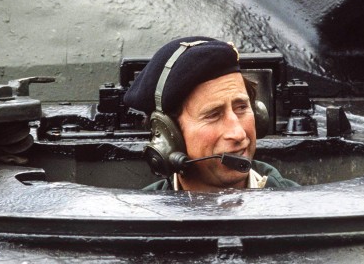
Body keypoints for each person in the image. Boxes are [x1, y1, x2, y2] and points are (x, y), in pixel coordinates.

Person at [123, 36, 298, 191]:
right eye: (213, 115)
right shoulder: (142, 220)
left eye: (242, 108)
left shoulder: (297, 208)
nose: (238, 134)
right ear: (170, 135)